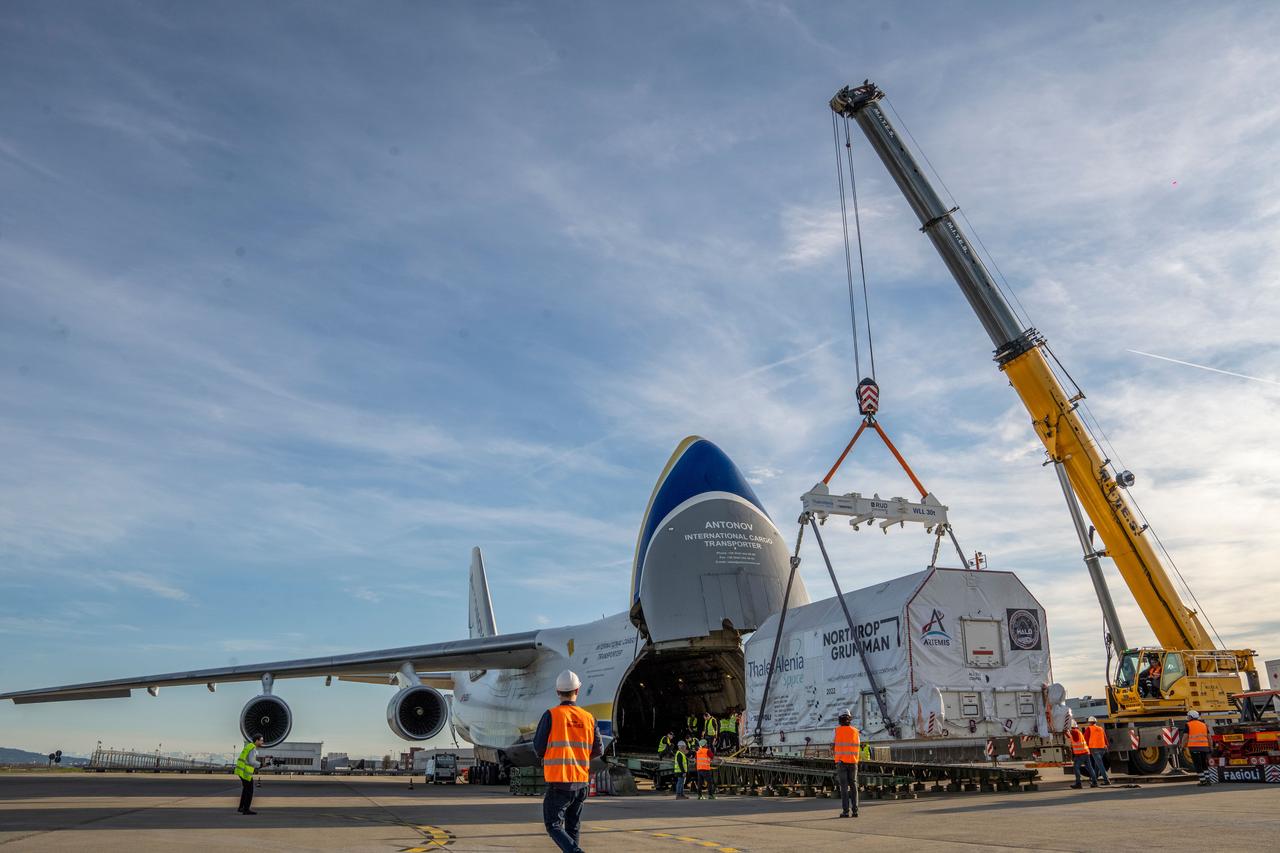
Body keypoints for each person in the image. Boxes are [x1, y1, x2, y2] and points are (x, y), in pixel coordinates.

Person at [535, 670, 603, 853]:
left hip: (559, 782)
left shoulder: (551, 715)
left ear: (558, 692)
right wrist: (578, 755)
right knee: (572, 827)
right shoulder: (589, 718)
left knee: (553, 825)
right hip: (581, 782)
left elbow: (539, 747)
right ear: (577, 691)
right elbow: (598, 749)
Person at [832, 709, 860, 818]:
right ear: (850, 719)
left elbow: (832, 745)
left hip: (841, 763)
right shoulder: (856, 731)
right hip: (853, 762)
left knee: (844, 787)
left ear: (840, 719)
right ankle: (855, 811)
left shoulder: (836, 731)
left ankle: (845, 811)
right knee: (854, 786)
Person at [235, 734, 264, 814]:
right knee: (249, 791)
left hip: (242, 771)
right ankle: (246, 810)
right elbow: (251, 762)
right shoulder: (252, 748)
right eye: (261, 740)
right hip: (245, 772)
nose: (262, 742)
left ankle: (241, 807)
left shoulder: (249, 746)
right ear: (256, 740)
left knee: (245, 789)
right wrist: (260, 764)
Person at [1183, 709, 1212, 786]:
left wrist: (1182, 745)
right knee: (1204, 764)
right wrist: (1210, 747)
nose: (1187, 717)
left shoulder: (1188, 725)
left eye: (1188, 716)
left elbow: (1185, 737)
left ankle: (1202, 781)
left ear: (1191, 717)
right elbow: (1209, 738)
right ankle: (1208, 780)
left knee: (1198, 764)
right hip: (1205, 748)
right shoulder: (1204, 725)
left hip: (1194, 748)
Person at [1067, 721, 1097, 789]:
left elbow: (1071, 735)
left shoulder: (1075, 732)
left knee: (1076, 767)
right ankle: (1095, 782)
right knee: (1089, 768)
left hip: (1081, 754)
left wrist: (1065, 729)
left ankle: (1078, 783)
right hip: (1085, 753)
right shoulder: (1078, 732)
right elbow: (1070, 737)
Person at [1083, 716, 1110, 786]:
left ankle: (1106, 780)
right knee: (1097, 765)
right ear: (1095, 722)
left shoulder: (1089, 729)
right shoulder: (1100, 728)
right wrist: (1106, 745)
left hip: (1094, 749)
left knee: (1100, 765)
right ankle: (1094, 781)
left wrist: (1085, 749)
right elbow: (1105, 738)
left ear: (1089, 722)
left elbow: (1085, 739)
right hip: (1102, 748)